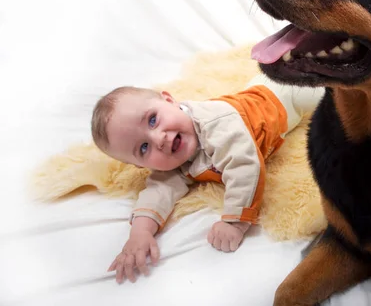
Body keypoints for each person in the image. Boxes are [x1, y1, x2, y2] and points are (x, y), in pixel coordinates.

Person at [91, 74, 324, 283]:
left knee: (336, 91)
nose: (158, 139)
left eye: (153, 120)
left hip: (284, 96)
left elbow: (245, 166)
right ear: (139, 165)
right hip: (254, 96)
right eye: (143, 148)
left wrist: (235, 222)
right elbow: (158, 191)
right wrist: (139, 233)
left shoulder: (218, 126)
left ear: (170, 101)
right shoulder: (172, 158)